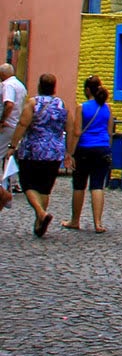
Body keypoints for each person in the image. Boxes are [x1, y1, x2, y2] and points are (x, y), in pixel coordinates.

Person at [5, 72, 69, 236]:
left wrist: (13, 145)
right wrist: (69, 151)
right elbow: (70, 127)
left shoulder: (33, 103)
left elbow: (23, 123)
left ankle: (41, 213)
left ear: (39, 86)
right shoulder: (61, 104)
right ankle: (39, 222)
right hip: (54, 152)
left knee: (28, 184)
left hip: (33, 151)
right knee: (45, 188)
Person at [65, 75, 114, 232]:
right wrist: (107, 148)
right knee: (97, 185)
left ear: (87, 90)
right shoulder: (107, 108)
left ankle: (75, 220)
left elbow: (77, 131)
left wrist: (70, 153)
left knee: (79, 185)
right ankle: (98, 223)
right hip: (103, 148)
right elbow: (110, 132)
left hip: (84, 149)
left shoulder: (82, 107)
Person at [0, 61, 24, 208]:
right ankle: (12, 183)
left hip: (7, 125)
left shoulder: (8, 85)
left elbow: (9, 104)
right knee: (9, 155)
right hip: (16, 125)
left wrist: (2, 120)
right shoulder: (20, 85)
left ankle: (3, 189)